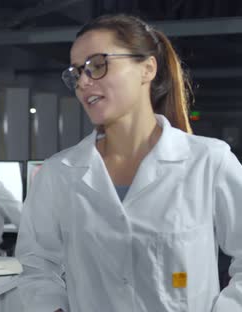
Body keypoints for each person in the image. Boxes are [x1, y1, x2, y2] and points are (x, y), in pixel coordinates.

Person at [16, 14, 242, 312]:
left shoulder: (208, 161)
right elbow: (36, 266)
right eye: (76, 73)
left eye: (97, 65)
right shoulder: (59, 173)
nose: (83, 82)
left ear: (147, 68)